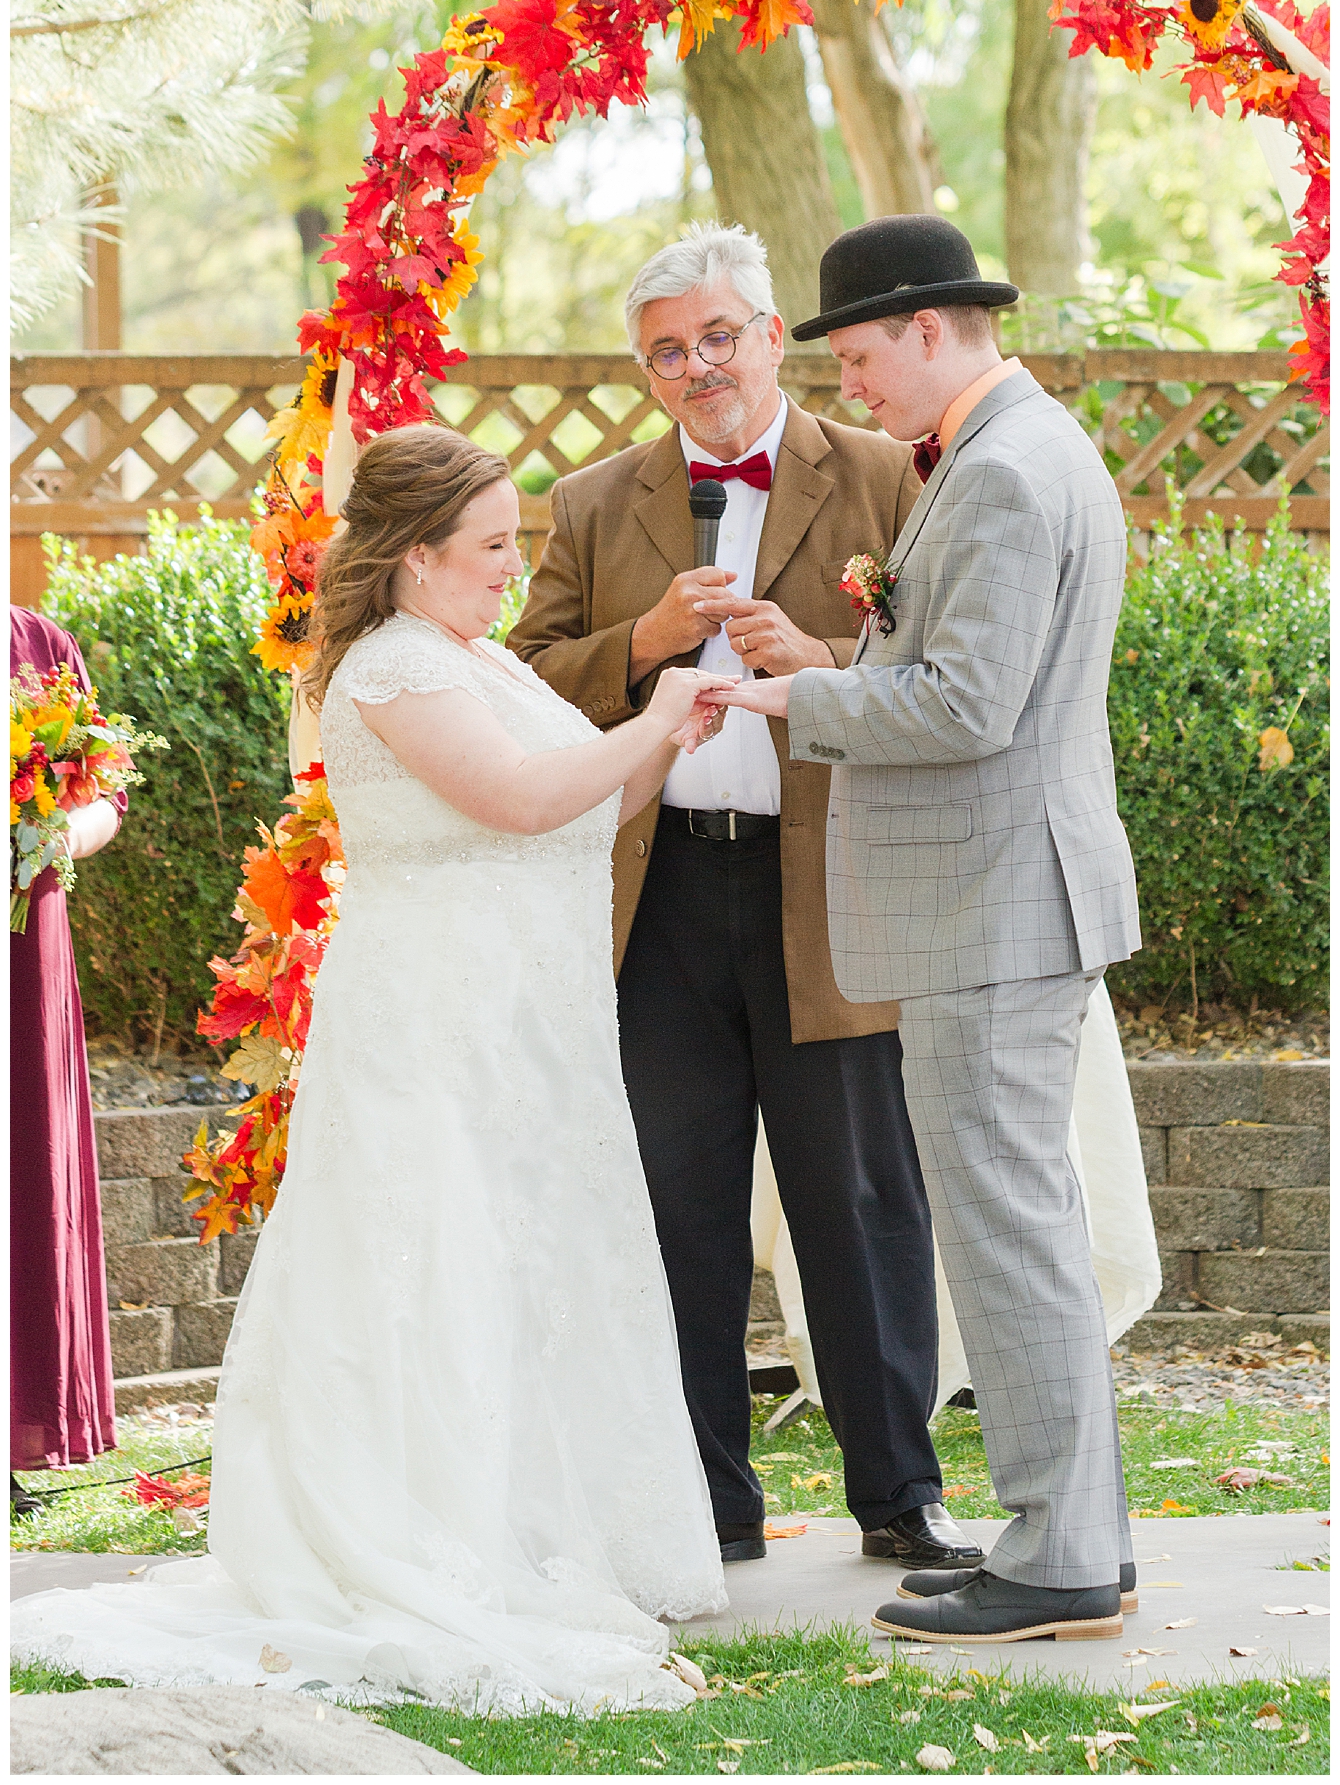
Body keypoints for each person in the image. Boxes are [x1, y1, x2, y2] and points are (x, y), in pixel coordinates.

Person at [10, 426, 729, 1712]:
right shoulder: (394, 671)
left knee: (529, 1259)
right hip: (435, 1018)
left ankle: (549, 1527)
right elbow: (515, 800)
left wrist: (663, 738)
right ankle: (427, 1530)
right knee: (434, 1259)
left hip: (525, 1023)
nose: (514, 570)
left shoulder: (469, 657)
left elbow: (581, 800)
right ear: (412, 563)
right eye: (494, 547)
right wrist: (657, 710)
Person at [508, 222, 983, 1576]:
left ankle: (899, 1492)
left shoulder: (896, 473)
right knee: (677, 1206)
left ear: (776, 337)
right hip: (657, 904)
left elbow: (956, 667)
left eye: (719, 336)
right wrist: (644, 642)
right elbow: (526, 680)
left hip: (829, 892)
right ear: (646, 370)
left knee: (860, 1200)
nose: (697, 366)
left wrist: (824, 657)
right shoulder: (596, 503)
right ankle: (704, 1503)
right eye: (668, 350)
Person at [709, 215, 1142, 1646]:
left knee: (1008, 1232)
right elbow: (958, 673)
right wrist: (838, 663)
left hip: (994, 904)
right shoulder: (1010, 451)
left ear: (936, 328)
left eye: (859, 356)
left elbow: (968, 708)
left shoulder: (1008, 474)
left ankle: (1061, 1555)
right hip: (998, 899)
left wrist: (792, 700)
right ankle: (1065, 1533)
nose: (851, 390)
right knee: (1022, 1224)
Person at [11, 607, 123, 1516]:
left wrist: (57, 838)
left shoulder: (41, 645)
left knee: (20, 1172)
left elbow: (104, 793)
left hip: (23, 937)